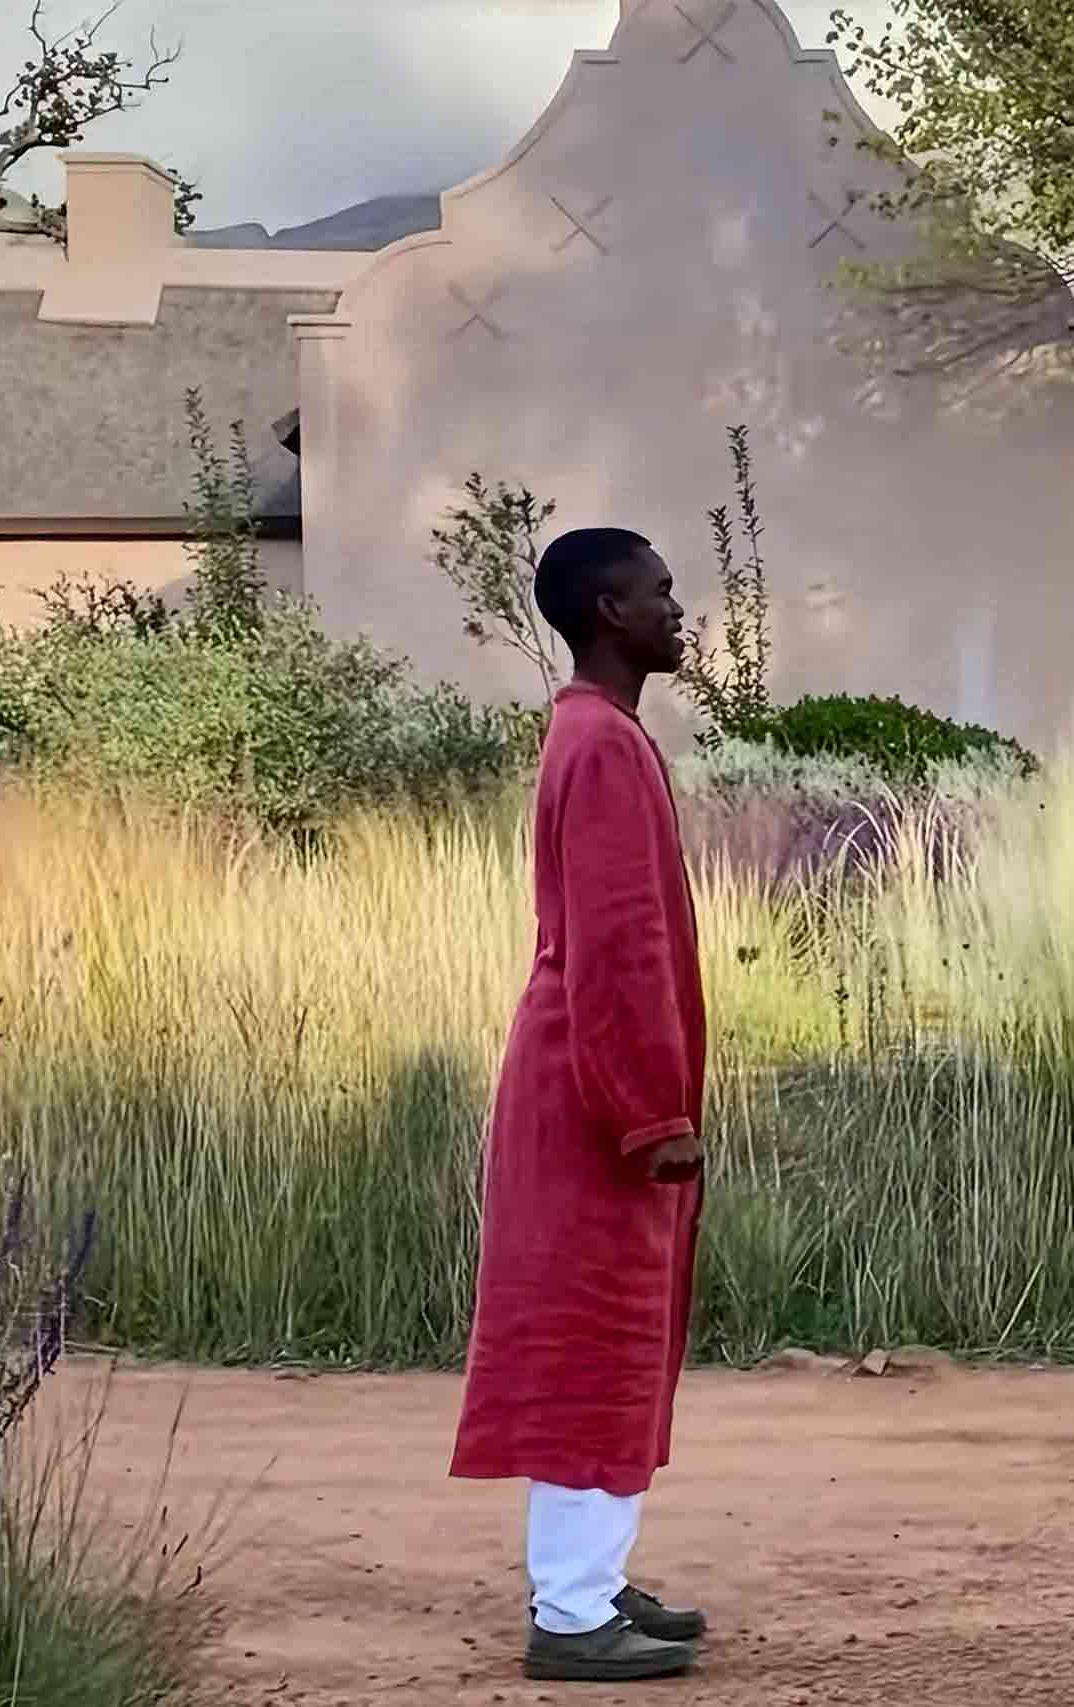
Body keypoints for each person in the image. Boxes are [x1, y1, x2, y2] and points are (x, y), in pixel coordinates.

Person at [449, 526, 712, 1683]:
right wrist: (649, 1111)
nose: (678, 608)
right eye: (660, 592)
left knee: (617, 1330)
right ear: (610, 611)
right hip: (591, 1092)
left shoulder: (599, 735)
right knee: (593, 1334)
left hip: (587, 1081)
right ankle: (569, 1613)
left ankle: (593, 1581)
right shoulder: (600, 746)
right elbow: (616, 948)